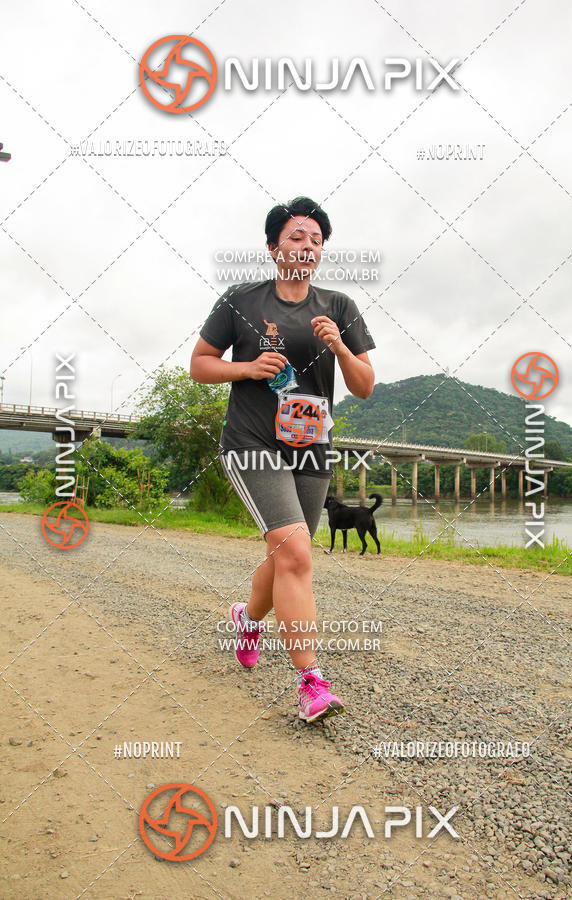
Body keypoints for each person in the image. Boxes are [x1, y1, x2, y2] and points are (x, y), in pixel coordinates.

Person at [190, 196, 375, 723]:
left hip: (311, 447)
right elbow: (199, 366)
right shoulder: (240, 301)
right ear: (274, 248)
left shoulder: (338, 306)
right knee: (296, 555)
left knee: (285, 556)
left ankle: (247, 619)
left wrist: (340, 348)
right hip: (252, 443)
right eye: (297, 237)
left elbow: (363, 386)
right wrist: (247, 369)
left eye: (316, 241)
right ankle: (311, 683)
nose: (307, 246)